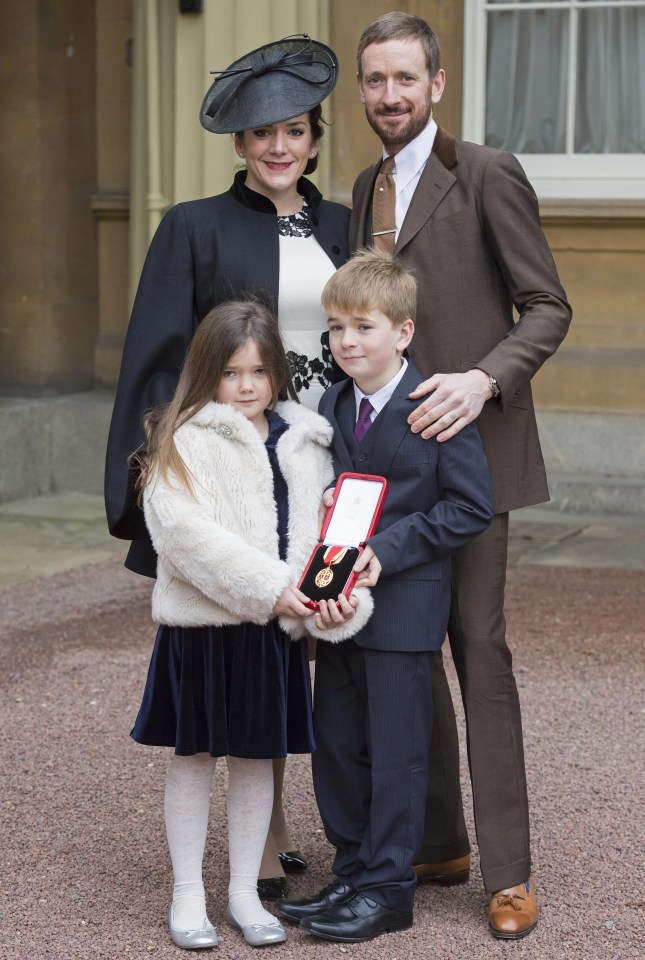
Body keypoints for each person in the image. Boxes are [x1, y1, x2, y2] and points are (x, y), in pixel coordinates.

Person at [104, 34, 350, 897]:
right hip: (237, 470)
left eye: (293, 131)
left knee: (326, 644)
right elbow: (158, 361)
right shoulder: (193, 226)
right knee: (254, 647)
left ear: (315, 137)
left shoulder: (343, 226)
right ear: (240, 146)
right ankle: (273, 844)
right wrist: (160, 481)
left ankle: (367, 838)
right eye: (260, 135)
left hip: (328, 457)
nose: (278, 148)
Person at [348, 12, 573, 940]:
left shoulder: (483, 172)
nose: (389, 96)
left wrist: (484, 380)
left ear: (436, 84)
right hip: (395, 469)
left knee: (479, 654)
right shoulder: (361, 187)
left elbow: (548, 305)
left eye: (405, 79)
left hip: (475, 460)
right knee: (406, 648)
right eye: (374, 81)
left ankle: (508, 872)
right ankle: (436, 839)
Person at [129, 299, 373, 949]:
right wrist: (272, 590)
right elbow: (183, 538)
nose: (244, 387)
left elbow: (321, 535)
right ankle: (188, 894)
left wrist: (330, 595)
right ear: (208, 372)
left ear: (278, 376)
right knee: (194, 757)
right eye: (231, 372)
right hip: (204, 631)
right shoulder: (181, 441)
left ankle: (243, 892)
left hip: (273, 631)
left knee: (258, 760)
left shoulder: (306, 438)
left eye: (258, 372)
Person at [276, 249, 494, 944]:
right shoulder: (334, 403)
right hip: (337, 607)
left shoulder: (431, 404)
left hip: (402, 605)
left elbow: (469, 508)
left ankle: (388, 890)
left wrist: (385, 554)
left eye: (363, 327)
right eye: (336, 327)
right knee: (337, 741)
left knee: (396, 749)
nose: (346, 341)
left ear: (401, 333)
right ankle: (352, 869)